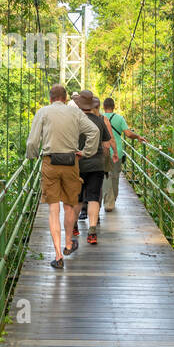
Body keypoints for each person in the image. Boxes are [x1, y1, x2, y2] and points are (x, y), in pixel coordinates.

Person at [25, 83, 100, 269]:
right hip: (71, 162)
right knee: (68, 206)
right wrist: (86, 152)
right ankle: (68, 243)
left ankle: (58, 255)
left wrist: (33, 156)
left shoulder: (42, 112)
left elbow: (33, 141)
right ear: (65, 99)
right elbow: (94, 131)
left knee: (53, 210)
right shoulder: (75, 113)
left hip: (50, 163)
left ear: (50, 98)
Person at [73, 91, 112, 244]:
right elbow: (106, 143)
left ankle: (74, 226)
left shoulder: (74, 120)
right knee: (94, 197)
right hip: (97, 165)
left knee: (77, 198)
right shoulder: (100, 120)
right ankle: (92, 232)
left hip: (78, 164)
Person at [102, 97, 140, 212]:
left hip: (104, 151)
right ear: (113, 107)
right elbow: (128, 134)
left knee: (105, 176)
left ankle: (108, 201)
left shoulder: (100, 118)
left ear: (103, 107)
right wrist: (138, 137)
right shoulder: (119, 118)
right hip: (117, 152)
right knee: (115, 176)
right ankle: (113, 200)